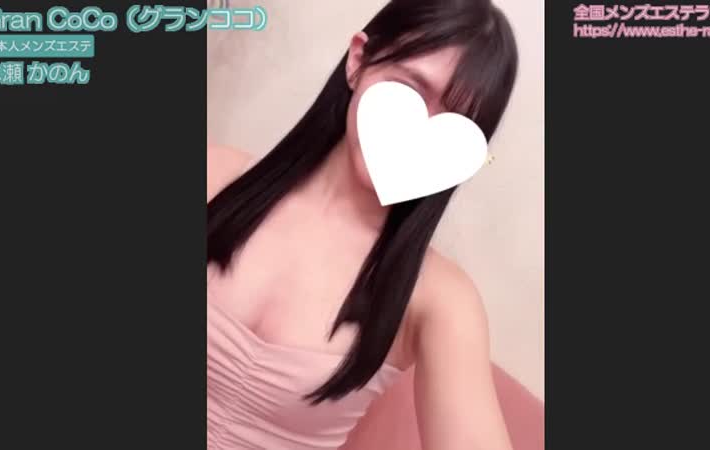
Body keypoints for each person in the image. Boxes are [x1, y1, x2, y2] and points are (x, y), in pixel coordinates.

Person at [207, 0, 518, 448]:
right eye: (409, 90)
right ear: (358, 61)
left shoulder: (440, 300)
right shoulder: (213, 175)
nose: (417, 134)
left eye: (453, 122)